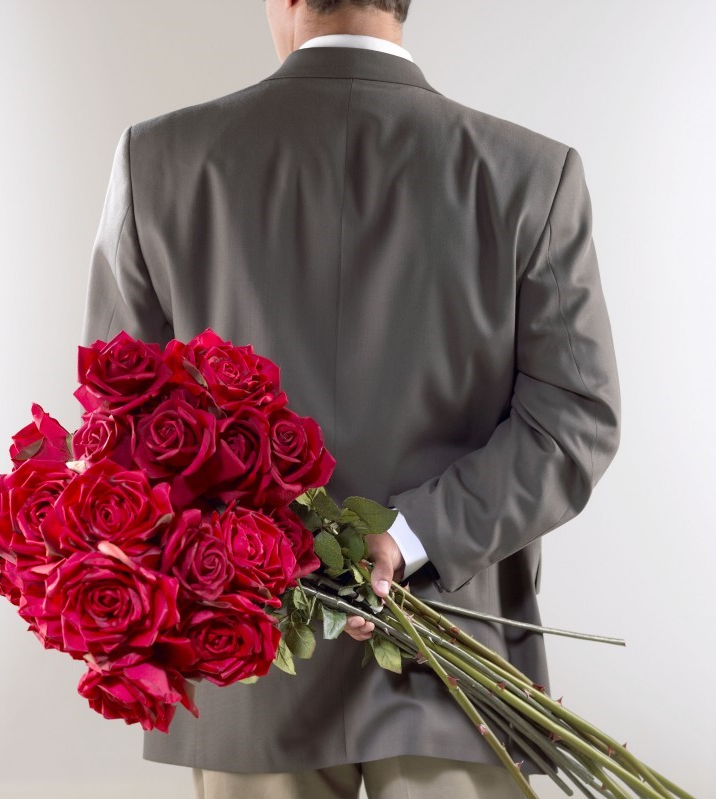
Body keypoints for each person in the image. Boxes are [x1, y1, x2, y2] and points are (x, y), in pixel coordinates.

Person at [81, 0, 621, 796]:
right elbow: (576, 419)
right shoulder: (532, 174)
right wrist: (410, 535)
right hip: (452, 666)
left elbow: (117, 421)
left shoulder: (158, 159)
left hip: (252, 663)